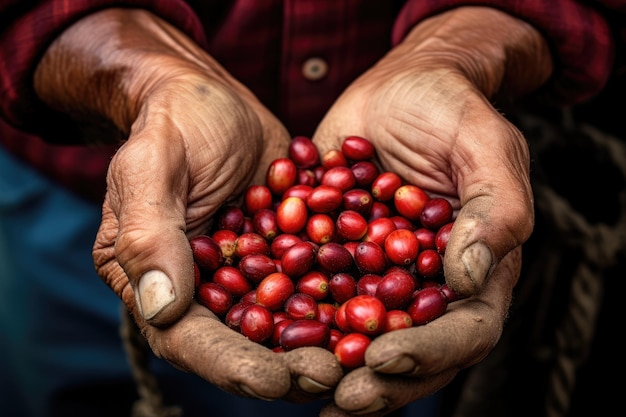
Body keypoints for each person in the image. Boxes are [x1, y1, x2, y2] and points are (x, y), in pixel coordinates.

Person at [0, 1, 623, 416]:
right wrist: (147, 78)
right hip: (78, 201)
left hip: (438, 178)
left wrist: (454, 49)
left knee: (395, 375)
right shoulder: (333, 253)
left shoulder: (323, 255)